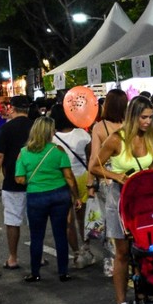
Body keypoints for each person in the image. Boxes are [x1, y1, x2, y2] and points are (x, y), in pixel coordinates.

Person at [89, 96, 153, 304]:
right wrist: (116, 176)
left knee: (144, 251)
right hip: (120, 200)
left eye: (150, 116)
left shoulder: (150, 136)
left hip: (144, 200)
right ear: (133, 116)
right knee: (123, 253)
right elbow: (95, 166)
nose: (148, 121)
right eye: (144, 117)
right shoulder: (116, 139)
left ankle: (142, 298)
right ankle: (121, 303)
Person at [14, 116, 80, 283]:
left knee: (37, 236)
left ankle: (35, 273)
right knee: (60, 234)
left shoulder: (23, 153)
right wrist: (76, 196)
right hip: (59, 195)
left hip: (36, 196)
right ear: (50, 132)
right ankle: (63, 272)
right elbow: (69, 177)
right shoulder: (58, 150)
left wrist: (34, 181)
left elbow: (19, 179)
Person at [0, 95, 34, 270]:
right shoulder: (36, 127)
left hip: (13, 181)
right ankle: (37, 257)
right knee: (35, 221)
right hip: (36, 181)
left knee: (12, 221)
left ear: (12, 108)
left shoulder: (7, 129)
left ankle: (13, 257)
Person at [88, 88, 127, 277]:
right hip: (128, 179)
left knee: (110, 224)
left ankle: (112, 265)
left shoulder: (100, 127)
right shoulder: (130, 125)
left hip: (107, 180)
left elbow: (94, 159)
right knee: (128, 221)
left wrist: (89, 185)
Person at [50, 104, 93, 269]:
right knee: (83, 218)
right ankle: (86, 249)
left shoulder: (52, 138)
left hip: (62, 180)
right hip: (82, 178)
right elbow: (90, 159)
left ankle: (76, 253)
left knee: (68, 221)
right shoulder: (83, 134)